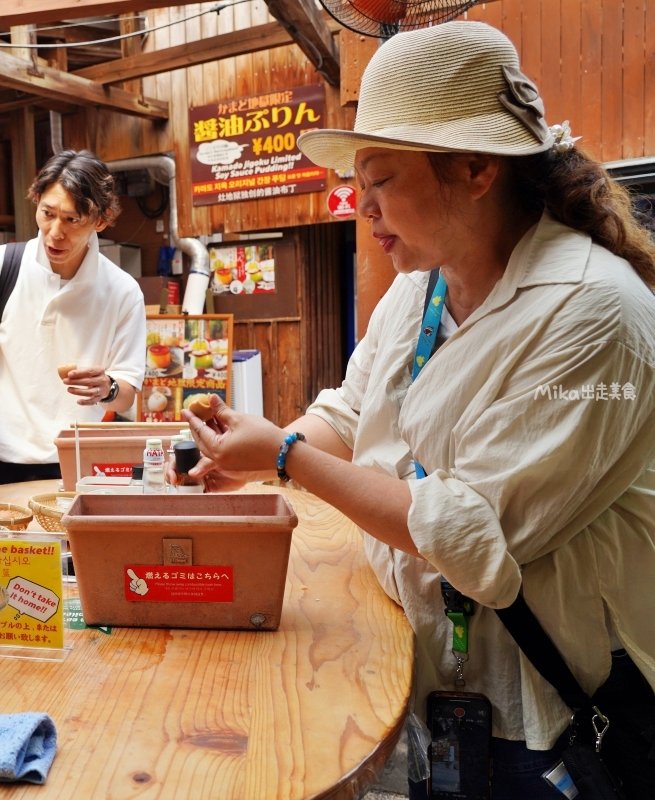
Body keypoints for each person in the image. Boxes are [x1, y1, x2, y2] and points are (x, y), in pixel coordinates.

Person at [181, 22, 655, 799]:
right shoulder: (419, 286)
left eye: (380, 179)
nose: (361, 206)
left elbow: (473, 534)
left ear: (473, 169)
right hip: (436, 679)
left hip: (558, 706)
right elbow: (355, 404)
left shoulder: (593, 314)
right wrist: (253, 450)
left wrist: (283, 458)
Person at [0, 150, 146, 493]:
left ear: (100, 220)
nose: (55, 232)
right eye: (48, 214)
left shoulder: (123, 292)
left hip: (72, 459)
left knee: (63, 549)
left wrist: (107, 388)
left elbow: (126, 395)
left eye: (72, 220)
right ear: (37, 201)